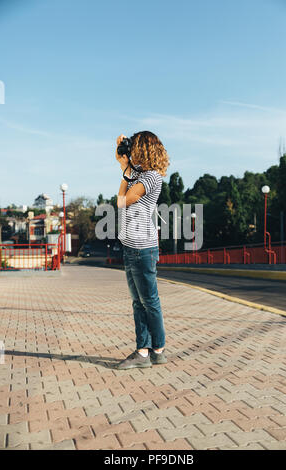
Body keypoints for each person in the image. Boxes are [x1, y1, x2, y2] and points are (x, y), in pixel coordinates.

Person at [115, 131, 169, 370]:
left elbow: (123, 200)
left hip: (141, 247)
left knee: (149, 301)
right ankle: (148, 351)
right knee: (139, 302)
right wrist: (124, 164)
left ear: (144, 149)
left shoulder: (151, 178)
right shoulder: (140, 174)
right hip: (131, 245)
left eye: (136, 147)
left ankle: (153, 350)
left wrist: (126, 170)